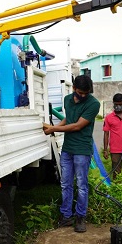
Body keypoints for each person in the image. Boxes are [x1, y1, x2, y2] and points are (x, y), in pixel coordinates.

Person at [43, 75, 100, 233]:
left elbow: (77, 126)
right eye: (80, 92)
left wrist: (53, 129)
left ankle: (80, 216)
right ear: (74, 88)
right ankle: (66, 215)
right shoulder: (68, 99)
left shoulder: (93, 104)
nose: (83, 95)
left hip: (82, 150)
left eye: (86, 93)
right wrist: (53, 127)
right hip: (68, 149)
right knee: (65, 183)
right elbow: (69, 120)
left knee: (82, 185)